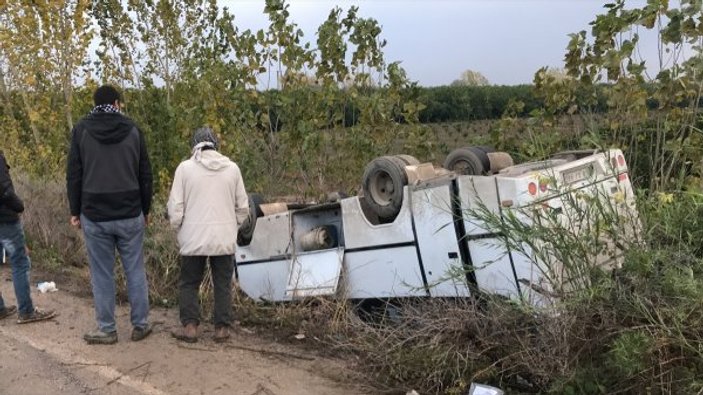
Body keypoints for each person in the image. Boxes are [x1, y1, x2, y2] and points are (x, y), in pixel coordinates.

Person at [66, 85, 153, 345]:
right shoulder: (134, 129)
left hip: (94, 213)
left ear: (95, 104)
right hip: (129, 212)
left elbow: (74, 174)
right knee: (135, 270)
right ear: (117, 103)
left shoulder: (81, 130)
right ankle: (140, 325)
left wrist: (75, 210)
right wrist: (145, 210)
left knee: (102, 273)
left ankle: (106, 329)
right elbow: (145, 174)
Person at [167, 127, 249, 343]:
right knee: (222, 283)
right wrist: (232, 227)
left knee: (189, 282)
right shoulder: (232, 169)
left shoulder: (184, 169)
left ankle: (191, 327)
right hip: (224, 238)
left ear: (194, 145)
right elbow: (243, 208)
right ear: (215, 144)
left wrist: (179, 230)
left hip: (193, 237)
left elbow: (176, 209)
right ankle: (221, 329)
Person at [0, 150, 56, 324]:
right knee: (20, 262)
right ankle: (26, 311)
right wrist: (19, 206)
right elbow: (5, 190)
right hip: (5, 219)